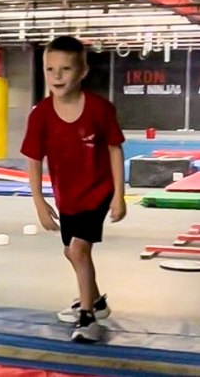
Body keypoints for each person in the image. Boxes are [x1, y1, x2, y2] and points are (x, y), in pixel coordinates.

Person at [20, 36, 126, 343]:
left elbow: (114, 149)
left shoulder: (99, 109)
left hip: (98, 190)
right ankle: (97, 301)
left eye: (65, 69)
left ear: (82, 72)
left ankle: (87, 317)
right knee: (71, 251)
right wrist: (39, 201)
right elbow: (33, 160)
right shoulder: (40, 114)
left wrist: (118, 194)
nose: (56, 76)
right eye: (50, 69)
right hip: (67, 196)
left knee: (79, 249)